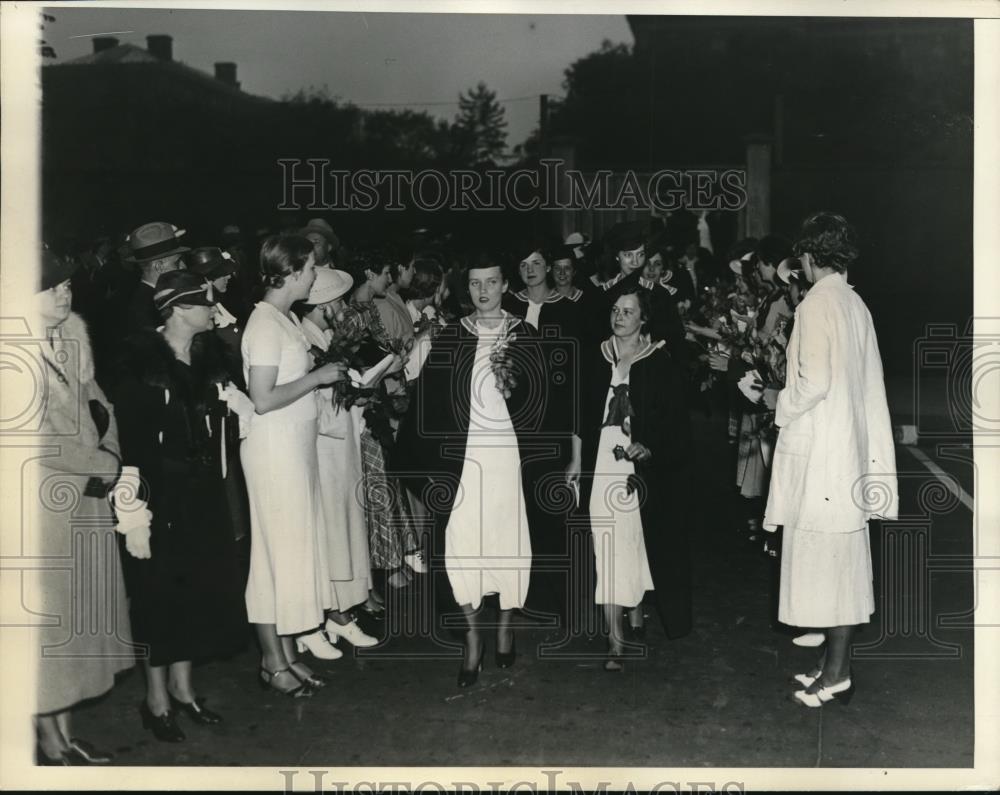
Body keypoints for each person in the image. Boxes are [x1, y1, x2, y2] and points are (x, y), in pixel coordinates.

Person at [762, 212, 898, 707]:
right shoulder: (853, 302)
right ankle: (830, 666)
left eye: (801, 253)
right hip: (846, 457)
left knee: (836, 573)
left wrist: (775, 398)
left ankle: (837, 674)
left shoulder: (818, 306)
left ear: (812, 255)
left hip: (823, 458)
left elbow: (813, 384)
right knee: (841, 568)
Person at [393, 254, 547, 687]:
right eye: (475, 284)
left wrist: (517, 389)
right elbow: (430, 404)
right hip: (461, 461)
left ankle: (503, 628)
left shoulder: (526, 335)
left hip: (507, 457)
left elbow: (543, 403)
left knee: (507, 540)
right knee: (461, 546)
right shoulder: (451, 338)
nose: (483, 292)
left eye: (491, 283)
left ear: (504, 285)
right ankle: (472, 639)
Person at [111, 270, 249, 742]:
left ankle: (185, 690)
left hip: (202, 491)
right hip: (159, 494)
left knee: (195, 590)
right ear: (178, 310)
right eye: (203, 303)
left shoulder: (210, 358)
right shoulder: (142, 364)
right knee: (157, 596)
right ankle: (156, 700)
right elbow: (131, 442)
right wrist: (134, 510)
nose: (213, 309)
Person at [31, 248, 135, 764]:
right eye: (50, 287)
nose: (63, 294)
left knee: (73, 617)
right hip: (38, 508)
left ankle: (64, 734)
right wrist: (102, 465)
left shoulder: (73, 335)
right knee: (46, 625)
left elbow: (101, 401)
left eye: (66, 285)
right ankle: (50, 742)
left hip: (85, 496)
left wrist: (111, 450)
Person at [241, 235, 348, 697]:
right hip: (274, 452)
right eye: (309, 269)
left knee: (291, 557)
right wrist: (318, 377)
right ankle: (271, 661)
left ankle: (285, 655)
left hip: (293, 449)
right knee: (272, 559)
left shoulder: (282, 320)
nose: (314, 277)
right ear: (291, 271)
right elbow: (262, 400)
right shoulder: (263, 324)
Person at [574, 286, 693, 671]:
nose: (619, 316)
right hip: (600, 466)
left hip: (639, 471)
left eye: (628, 311)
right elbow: (578, 415)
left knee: (634, 541)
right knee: (607, 546)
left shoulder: (659, 363)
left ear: (644, 318)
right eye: (615, 309)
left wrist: (649, 447)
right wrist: (575, 463)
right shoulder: (597, 357)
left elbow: (675, 426)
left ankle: (637, 606)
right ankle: (615, 639)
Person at [294, 268, 380, 655]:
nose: (344, 308)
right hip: (324, 447)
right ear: (324, 305)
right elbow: (312, 402)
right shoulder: (305, 342)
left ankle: (344, 607)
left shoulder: (325, 338)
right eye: (339, 303)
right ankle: (336, 614)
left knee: (345, 524)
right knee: (332, 528)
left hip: (340, 441)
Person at [121, 222, 189, 333]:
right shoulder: (144, 310)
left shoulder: (153, 298)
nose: (183, 266)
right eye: (177, 262)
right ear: (159, 266)